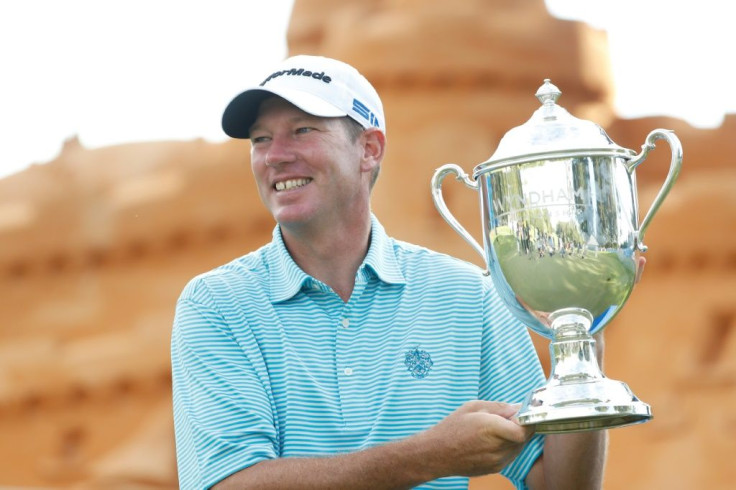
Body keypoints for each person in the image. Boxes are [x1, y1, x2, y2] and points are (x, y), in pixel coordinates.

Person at [171, 54, 610, 489]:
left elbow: (558, 484)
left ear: (369, 149)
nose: (275, 156)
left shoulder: (469, 296)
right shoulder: (215, 304)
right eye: (260, 139)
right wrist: (429, 457)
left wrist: (583, 345)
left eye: (302, 130)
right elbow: (229, 484)